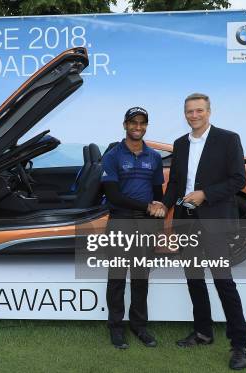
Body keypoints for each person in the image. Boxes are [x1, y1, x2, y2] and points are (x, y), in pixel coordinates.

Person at [161, 93, 246, 370]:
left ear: (209, 111)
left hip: (214, 220)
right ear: (185, 113)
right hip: (186, 221)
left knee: (223, 281)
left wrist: (205, 194)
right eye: (189, 111)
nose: (194, 115)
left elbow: (239, 179)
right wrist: (162, 206)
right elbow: (175, 183)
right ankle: (203, 332)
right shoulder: (180, 144)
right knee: (194, 279)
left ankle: (240, 346)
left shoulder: (228, 139)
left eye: (199, 110)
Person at [101, 106, 165, 349]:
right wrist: (147, 206)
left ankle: (139, 327)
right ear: (125, 124)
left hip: (146, 225)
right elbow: (113, 196)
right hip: (120, 221)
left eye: (142, 123)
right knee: (117, 278)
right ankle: (116, 328)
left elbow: (158, 195)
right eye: (133, 122)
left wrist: (157, 223)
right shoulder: (113, 156)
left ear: (146, 125)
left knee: (141, 278)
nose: (138, 127)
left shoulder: (154, 157)